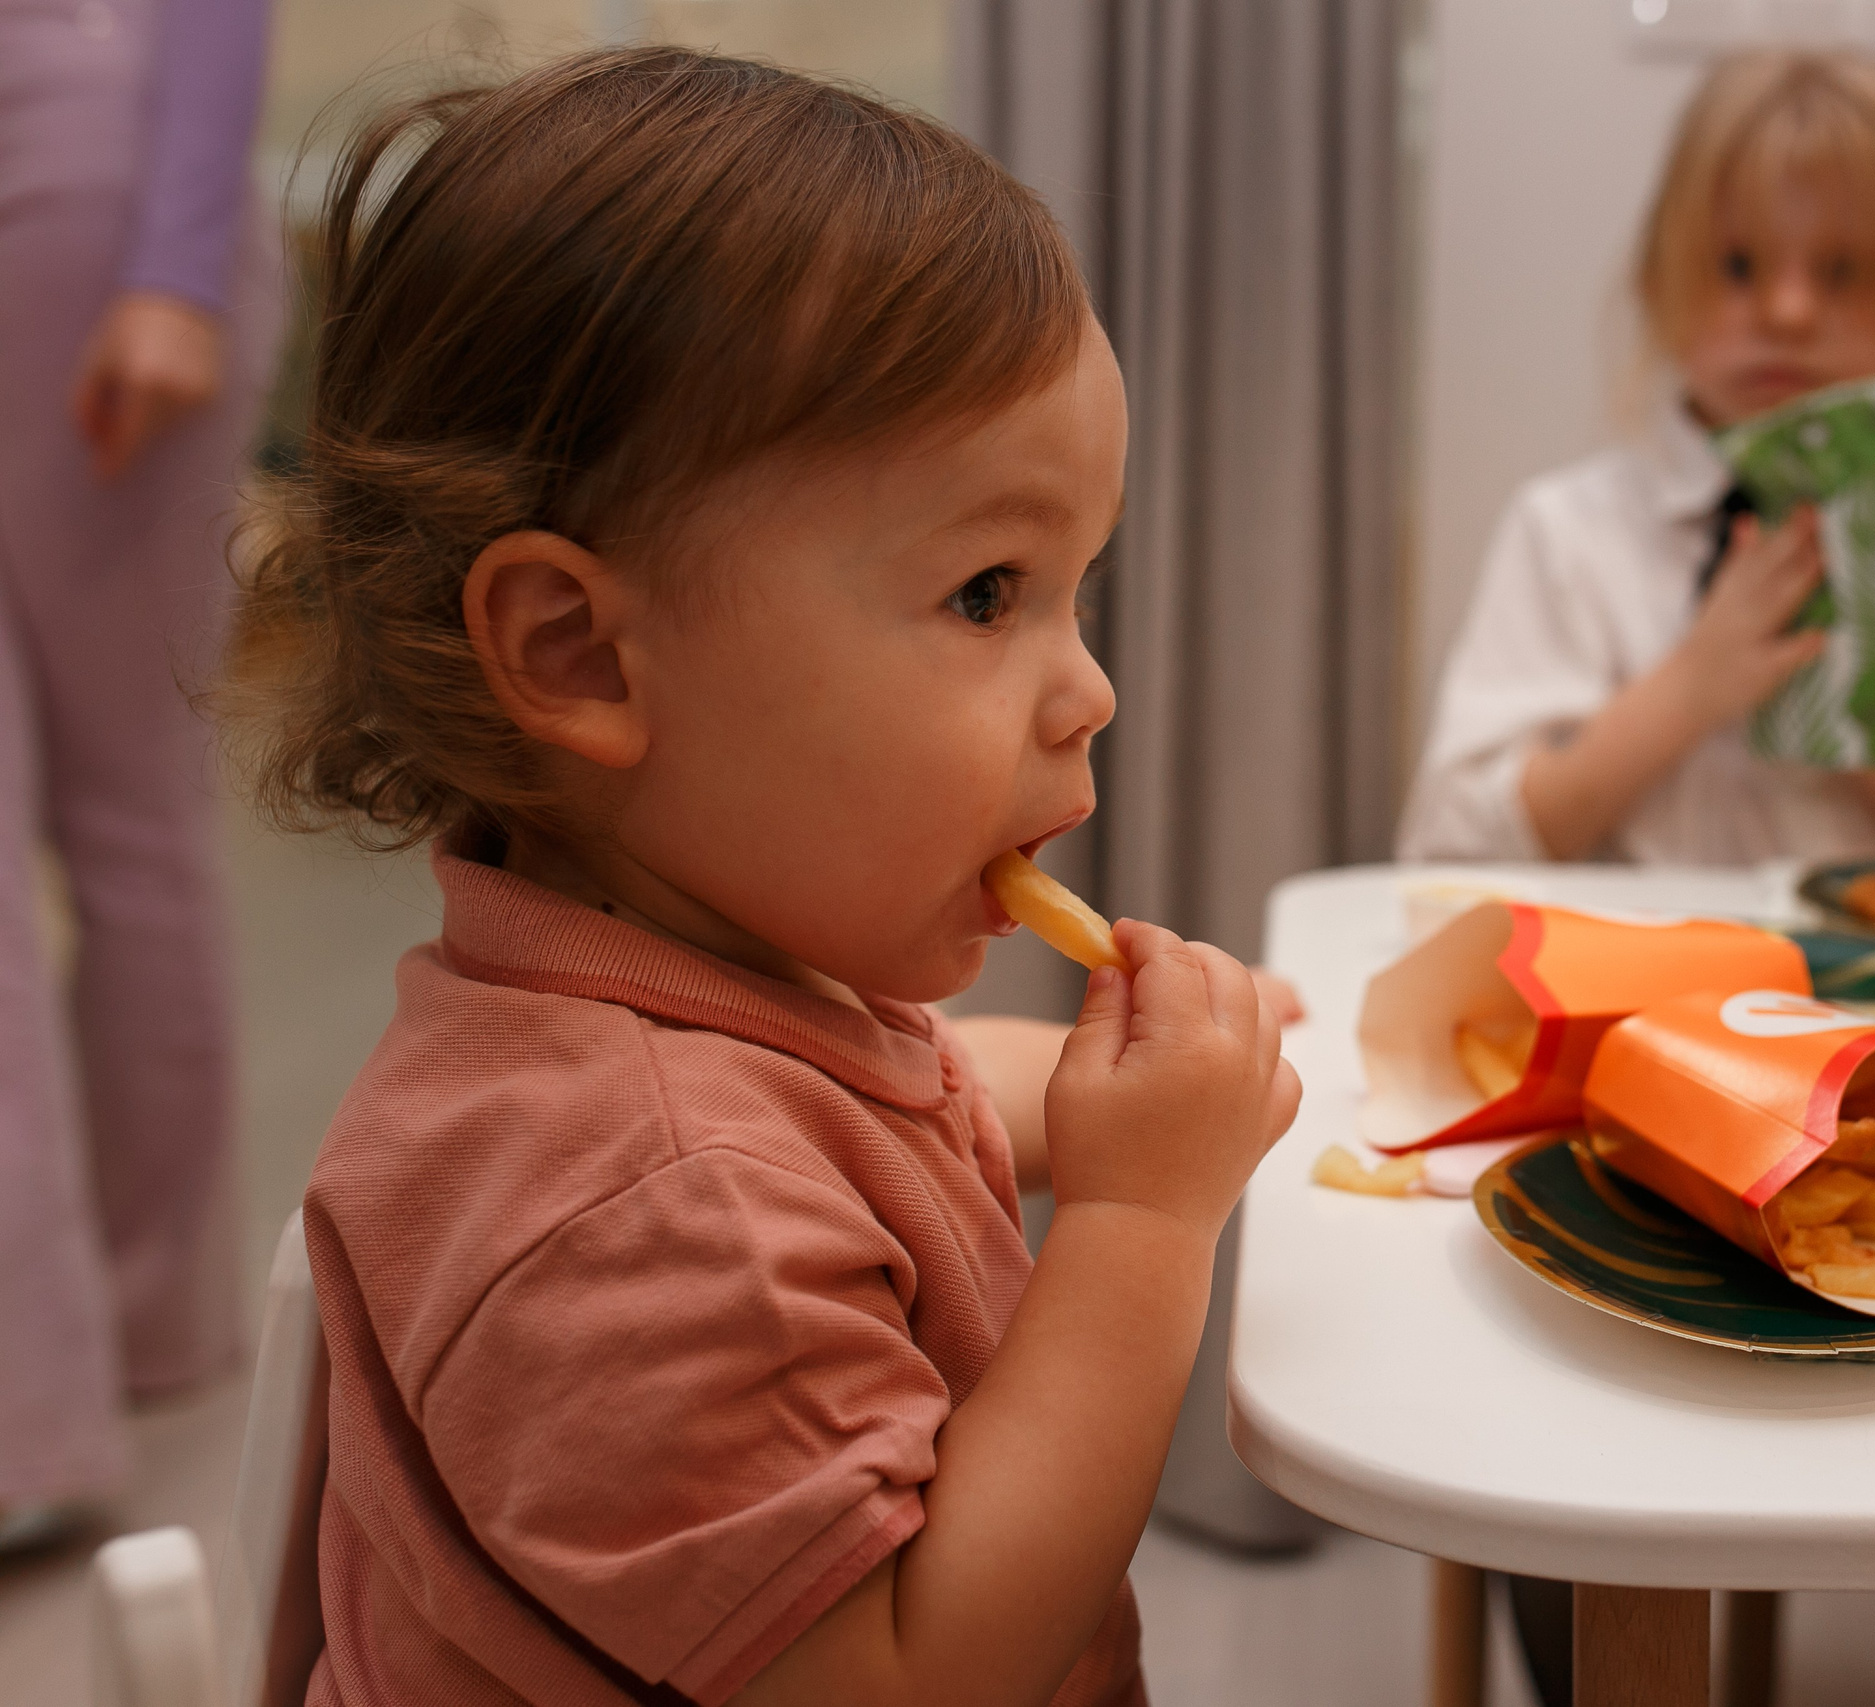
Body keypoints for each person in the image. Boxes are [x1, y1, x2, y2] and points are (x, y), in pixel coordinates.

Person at [222, 50, 1299, 1705]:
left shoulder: (708, 980)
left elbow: (932, 1094)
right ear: (578, 652)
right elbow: (922, 1671)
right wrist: (1145, 1216)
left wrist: (1156, 1079)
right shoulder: (646, 1203)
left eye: (1075, 586)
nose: (1089, 689)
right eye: (986, 591)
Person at [1399, 50, 1875, 868]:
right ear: (1656, 281)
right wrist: (1691, 688)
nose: (1789, 311)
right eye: (1737, 266)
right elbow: (1451, 845)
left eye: (1843, 272)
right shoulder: (1568, 534)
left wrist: (1864, 706)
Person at [0, 0, 281, 1537]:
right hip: (89, 191)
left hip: (82, 201)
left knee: (127, 821)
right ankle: (74, 1360)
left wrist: (172, 266)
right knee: (129, 826)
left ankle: (102, 1344)